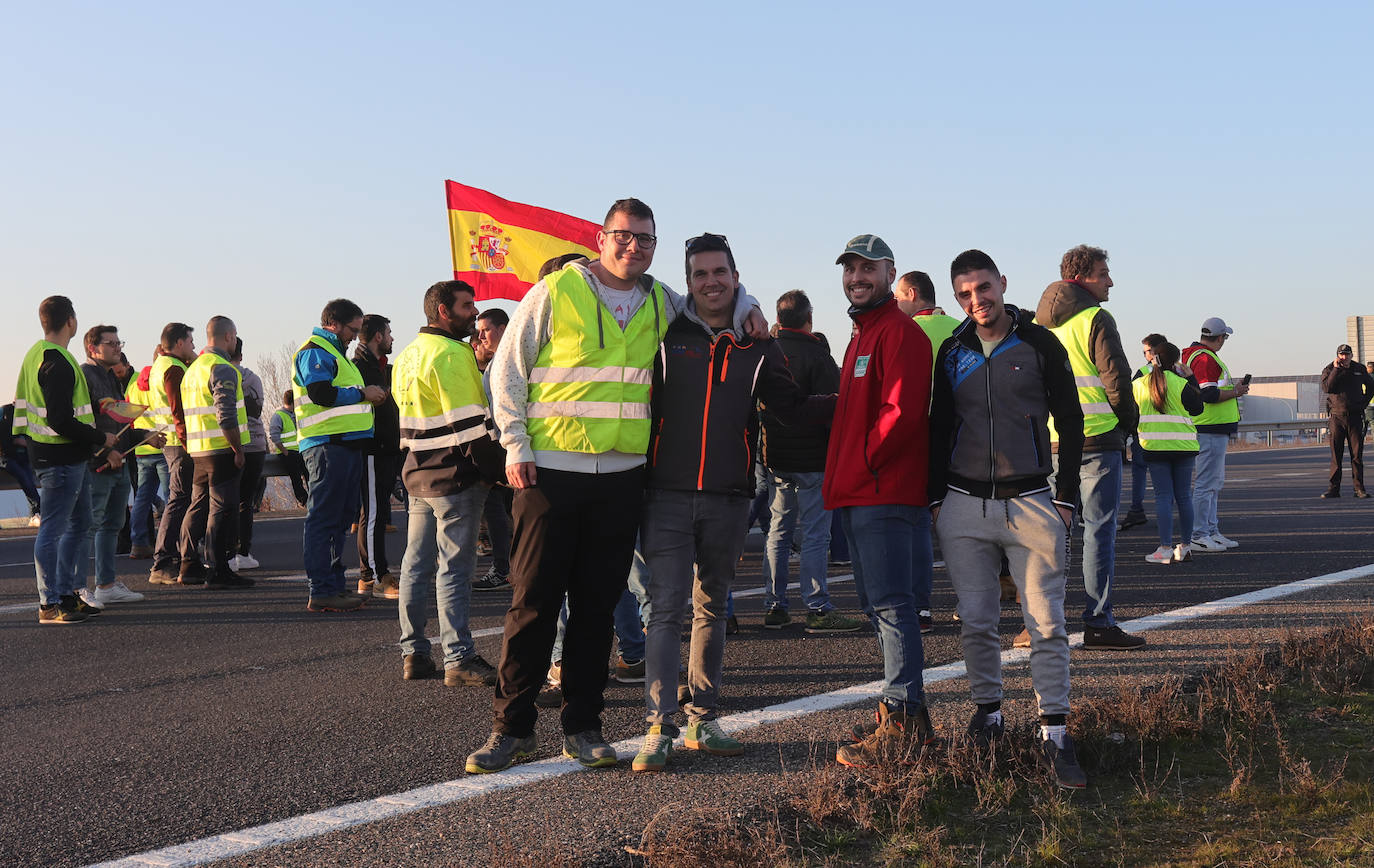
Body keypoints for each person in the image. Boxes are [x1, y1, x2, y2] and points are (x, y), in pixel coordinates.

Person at [465, 198, 766, 774]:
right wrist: (515, 444)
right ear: (601, 239)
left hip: (624, 477)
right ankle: (511, 729)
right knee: (533, 604)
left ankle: (583, 727)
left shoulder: (661, 302)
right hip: (549, 473)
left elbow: (713, 304)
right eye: (624, 237)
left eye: (646, 240)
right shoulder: (557, 291)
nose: (634, 247)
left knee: (599, 608)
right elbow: (508, 367)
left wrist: (749, 303)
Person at [631, 233, 834, 772]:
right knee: (666, 610)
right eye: (700, 274)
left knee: (713, 608)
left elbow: (789, 407)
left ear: (736, 276)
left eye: (720, 272)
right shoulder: (664, 332)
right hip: (665, 494)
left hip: (728, 496)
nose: (711, 282)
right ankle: (658, 725)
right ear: (689, 281)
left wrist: (856, 399)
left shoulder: (758, 345)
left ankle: (703, 717)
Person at [929, 249, 1087, 789]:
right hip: (963, 505)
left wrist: (1066, 500)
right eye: (965, 294)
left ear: (1001, 283)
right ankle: (989, 715)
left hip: (1032, 503)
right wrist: (935, 500)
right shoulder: (952, 351)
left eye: (983, 288)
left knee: (1046, 624)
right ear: (957, 298)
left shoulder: (1040, 343)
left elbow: (1070, 415)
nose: (977, 300)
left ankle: (1056, 732)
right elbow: (937, 425)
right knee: (976, 620)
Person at [822, 235, 936, 769]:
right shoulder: (863, 334)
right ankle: (899, 712)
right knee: (881, 606)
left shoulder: (900, 333)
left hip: (882, 491)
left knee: (893, 606)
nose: (857, 277)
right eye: (850, 269)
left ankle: (906, 719)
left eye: (868, 268)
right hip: (860, 489)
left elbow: (902, 413)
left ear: (891, 272)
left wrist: (865, 460)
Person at [393, 280, 506, 687]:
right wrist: (502, 474)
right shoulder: (452, 355)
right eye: (467, 306)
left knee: (415, 565)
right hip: (455, 476)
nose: (474, 314)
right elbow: (472, 431)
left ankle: (414, 653)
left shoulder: (406, 355)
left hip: (417, 472)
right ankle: (458, 658)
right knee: (454, 569)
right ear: (444, 311)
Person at [1035, 245, 1142, 651]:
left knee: (1051, 536)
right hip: (1097, 438)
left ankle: (1042, 623)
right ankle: (1098, 623)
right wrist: (1126, 424)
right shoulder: (1095, 318)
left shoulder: (1041, 325)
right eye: (1103, 273)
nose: (1110, 281)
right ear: (1081, 278)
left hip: (1054, 441)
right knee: (1099, 532)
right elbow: (1115, 377)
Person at [758, 289, 859, 633]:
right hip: (815, 458)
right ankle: (817, 606)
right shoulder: (818, 354)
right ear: (808, 318)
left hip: (777, 457)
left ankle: (775, 605)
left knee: (778, 530)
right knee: (816, 534)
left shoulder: (768, 352)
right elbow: (836, 406)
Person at [15, 296, 117, 624]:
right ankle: (50, 602)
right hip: (58, 458)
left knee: (79, 524)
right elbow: (60, 418)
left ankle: (69, 594)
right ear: (70, 322)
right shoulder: (57, 361)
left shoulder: (36, 355)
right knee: (54, 529)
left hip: (60, 455)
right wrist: (101, 437)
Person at [294, 298, 386, 612]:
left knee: (340, 519)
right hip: (327, 447)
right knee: (324, 520)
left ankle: (333, 586)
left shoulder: (336, 354)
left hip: (345, 446)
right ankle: (321, 589)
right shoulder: (315, 350)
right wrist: (364, 393)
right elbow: (321, 395)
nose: (355, 336)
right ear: (334, 324)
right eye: (352, 329)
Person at [77, 324, 149, 608]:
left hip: (118, 461)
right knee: (88, 527)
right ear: (93, 349)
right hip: (99, 464)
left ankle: (106, 585)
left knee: (112, 525)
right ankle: (78, 589)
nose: (118, 347)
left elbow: (117, 420)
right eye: (112, 343)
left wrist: (143, 436)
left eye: (119, 342)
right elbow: (83, 423)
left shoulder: (111, 377)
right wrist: (104, 452)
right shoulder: (84, 376)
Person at [178, 316, 252, 588]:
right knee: (223, 510)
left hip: (198, 451)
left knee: (197, 507)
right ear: (229, 337)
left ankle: (187, 564)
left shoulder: (192, 370)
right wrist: (238, 449)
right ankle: (218, 570)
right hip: (222, 450)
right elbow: (226, 415)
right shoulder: (223, 368)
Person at [1182, 318, 1250, 551]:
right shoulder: (1205, 358)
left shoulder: (1194, 355)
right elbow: (1208, 395)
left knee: (1213, 482)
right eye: (1225, 338)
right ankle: (1200, 533)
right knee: (1206, 483)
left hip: (1209, 427)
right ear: (1220, 337)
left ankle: (1211, 530)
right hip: (1209, 426)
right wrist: (1236, 392)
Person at [1133, 342, 1203, 563]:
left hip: (1154, 447)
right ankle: (1185, 546)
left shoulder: (1139, 384)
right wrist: (1191, 378)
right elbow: (1198, 408)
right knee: (1184, 496)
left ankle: (1164, 549)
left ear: (1153, 359)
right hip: (1183, 447)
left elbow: (1129, 410)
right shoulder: (1181, 383)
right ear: (1176, 362)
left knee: (1163, 496)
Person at [354, 313, 401, 599]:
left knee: (379, 512)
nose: (393, 338)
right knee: (372, 514)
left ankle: (369, 576)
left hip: (387, 449)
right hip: (372, 448)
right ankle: (374, 576)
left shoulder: (383, 367)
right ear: (378, 337)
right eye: (389, 332)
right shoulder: (359, 366)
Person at [147, 323, 198, 585]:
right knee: (179, 499)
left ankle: (177, 557)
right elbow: (179, 411)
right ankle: (162, 561)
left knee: (180, 499)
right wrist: (190, 443)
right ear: (179, 343)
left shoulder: (159, 366)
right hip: (181, 442)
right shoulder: (174, 369)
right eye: (190, 340)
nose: (192, 345)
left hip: (171, 441)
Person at [472, 307, 515, 592]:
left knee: (505, 513)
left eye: (485, 330)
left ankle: (505, 569)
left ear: (502, 328)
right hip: (500, 447)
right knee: (503, 512)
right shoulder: (496, 361)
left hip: (509, 448)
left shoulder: (509, 359)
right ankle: (508, 568)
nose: (480, 336)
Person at [1119, 334, 1167, 531]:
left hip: (1145, 430)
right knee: (1166, 476)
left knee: (1140, 471)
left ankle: (1136, 511)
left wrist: (1130, 427)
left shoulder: (1142, 372)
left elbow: (1131, 401)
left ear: (1155, 351)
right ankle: (1166, 511)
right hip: (1173, 433)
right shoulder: (1178, 371)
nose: (1145, 355)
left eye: (1146, 351)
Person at [227, 338, 267, 570]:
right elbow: (258, 408)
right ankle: (244, 552)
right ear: (241, 355)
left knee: (226, 501)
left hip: (231, 444)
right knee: (246, 502)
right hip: (256, 444)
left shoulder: (218, 374)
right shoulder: (253, 379)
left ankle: (228, 553)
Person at [126, 348, 168, 558]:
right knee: (174, 498)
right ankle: (172, 544)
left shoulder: (134, 385)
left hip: (141, 448)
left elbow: (127, 416)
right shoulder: (162, 380)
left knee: (142, 497)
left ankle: (138, 542)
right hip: (162, 444)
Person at [1319, 343, 1373, 498]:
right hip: (1336, 417)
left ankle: (1359, 489)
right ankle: (1334, 489)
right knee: (1336, 455)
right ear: (1338, 355)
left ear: (1352, 355)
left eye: (1347, 354)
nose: (1345, 357)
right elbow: (1328, 388)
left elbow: (1371, 387)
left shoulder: (1359, 369)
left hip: (1355, 417)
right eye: (1342, 354)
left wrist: (1363, 403)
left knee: (1357, 456)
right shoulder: (1329, 369)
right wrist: (1336, 369)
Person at [0, 403, 42, 524]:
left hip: (21, 457)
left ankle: (35, 513)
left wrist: (25, 443)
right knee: (24, 477)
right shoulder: (6, 411)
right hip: (6, 456)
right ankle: (38, 507)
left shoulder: (29, 413)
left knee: (28, 479)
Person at [268, 390, 309, 506]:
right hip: (289, 454)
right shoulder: (278, 416)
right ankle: (304, 500)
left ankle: (314, 500)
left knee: (309, 475)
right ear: (292, 402)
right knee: (296, 478)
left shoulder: (295, 414)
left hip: (300, 451)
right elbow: (274, 436)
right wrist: (285, 452)